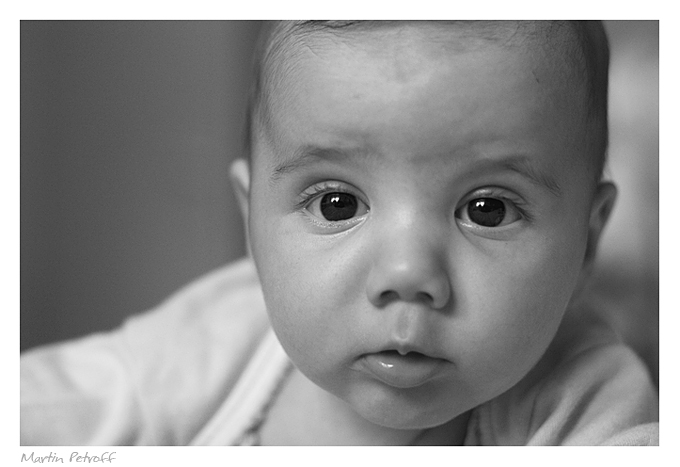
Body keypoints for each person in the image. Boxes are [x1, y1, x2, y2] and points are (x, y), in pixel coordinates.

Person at [20, 20, 659, 446]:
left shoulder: (583, 404)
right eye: (335, 203)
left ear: (585, 245)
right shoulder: (216, 343)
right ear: (251, 225)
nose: (408, 274)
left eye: (487, 209)